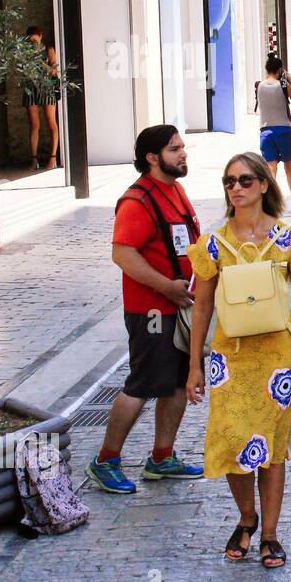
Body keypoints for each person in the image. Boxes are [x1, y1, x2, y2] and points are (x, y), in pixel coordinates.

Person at [185, 154, 291, 569]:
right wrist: (194, 364)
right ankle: (247, 518)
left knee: (273, 446)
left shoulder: (289, 238)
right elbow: (202, 306)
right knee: (232, 439)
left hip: (279, 357)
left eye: (245, 180)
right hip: (230, 358)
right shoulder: (212, 245)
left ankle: (269, 533)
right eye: (229, 182)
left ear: (264, 184)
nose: (236, 188)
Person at [87, 126, 206, 494]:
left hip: (179, 307)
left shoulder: (176, 190)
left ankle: (161, 458)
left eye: (183, 147)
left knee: (175, 386)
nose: (183, 153)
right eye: (175, 149)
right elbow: (122, 254)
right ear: (152, 157)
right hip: (151, 310)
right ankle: (105, 460)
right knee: (141, 384)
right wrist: (165, 287)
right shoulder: (137, 200)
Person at [255, 55, 291, 210]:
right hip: (284, 130)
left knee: (270, 168)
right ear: (280, 70)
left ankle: (271, 202)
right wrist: (290, 82)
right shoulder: (282, 84)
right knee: (289, 167)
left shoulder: (259, 85)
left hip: (265, 131)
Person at [22, 26, 61, 169]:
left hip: (47, 87)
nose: (33, 42)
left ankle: (53, 159)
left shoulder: (48, 50)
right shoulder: (25, 52)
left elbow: (55, 72)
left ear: (40, 36)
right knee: (34, 124)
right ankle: (34, 160)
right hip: (31, 88)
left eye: (35, 39)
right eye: (30, 39)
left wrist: (40, 62)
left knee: (51, 122)